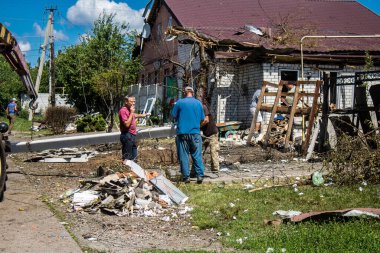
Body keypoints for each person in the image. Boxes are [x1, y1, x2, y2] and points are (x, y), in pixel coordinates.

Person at [171, 86, 205, 184]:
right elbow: (202, 119)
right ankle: (199, 176)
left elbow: (173, 116)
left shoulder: (179, 103)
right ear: (193, 93)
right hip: (195, 133)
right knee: (197, 155)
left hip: (182, 133)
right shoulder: (199, 103)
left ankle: (186, 177)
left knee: (183, 155)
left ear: (184, 93)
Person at [119, 95, 149, 161]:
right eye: (131, 101)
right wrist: (132, 112)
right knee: (127, 157)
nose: (133, 103)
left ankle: (133, 169)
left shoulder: (129, 110)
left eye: (134, 101)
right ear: (126, 102)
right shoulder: (123, 111)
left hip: (132, 134)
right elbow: (127, 124)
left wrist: (143, 115)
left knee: (134, 157)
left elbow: (134, 115)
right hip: (127, 135)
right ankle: (127, 169)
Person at [201, 100, 220, 173]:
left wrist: (197, 126)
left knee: (214, 151)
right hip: (204, 134)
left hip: (212, 133)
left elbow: (206, 120)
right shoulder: (195, 110)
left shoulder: (203, 107)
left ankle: (215, 170)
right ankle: (196, 170)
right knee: (199, 152)